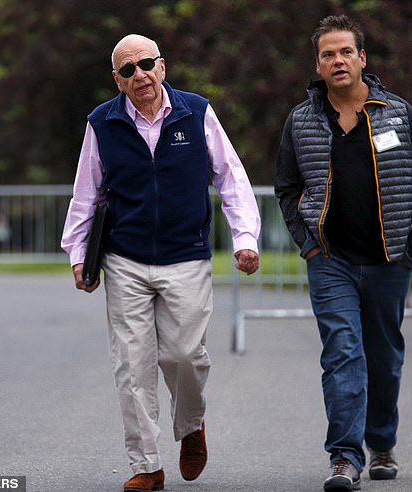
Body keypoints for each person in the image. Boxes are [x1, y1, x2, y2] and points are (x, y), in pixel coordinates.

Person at [61, 34, 260, 492]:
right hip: (125, 258)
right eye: (127, 71)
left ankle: (191, 426)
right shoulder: (102, 123)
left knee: (185, 357)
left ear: (162, 66)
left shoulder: (196, 111)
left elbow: (231, 179)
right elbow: (86, 194)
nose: (139, 76)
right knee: (132, 364)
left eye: (145, 65)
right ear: (117, 80)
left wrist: (245, 238)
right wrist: (78, 255)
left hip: (185, 255)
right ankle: (146, 464)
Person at [275, 15, 412, 492]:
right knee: (343, 353)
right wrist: (309, 245)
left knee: (383, 357)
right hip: (331, 261)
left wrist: (411, 249)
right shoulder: (301, 121)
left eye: (345, 51)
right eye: (328, 54)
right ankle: (344, 457)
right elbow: (287, 187)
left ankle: (381, 442)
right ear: (318, 65)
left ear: (362, 59)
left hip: (389, 259)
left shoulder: (398, 114)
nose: (337, 60)